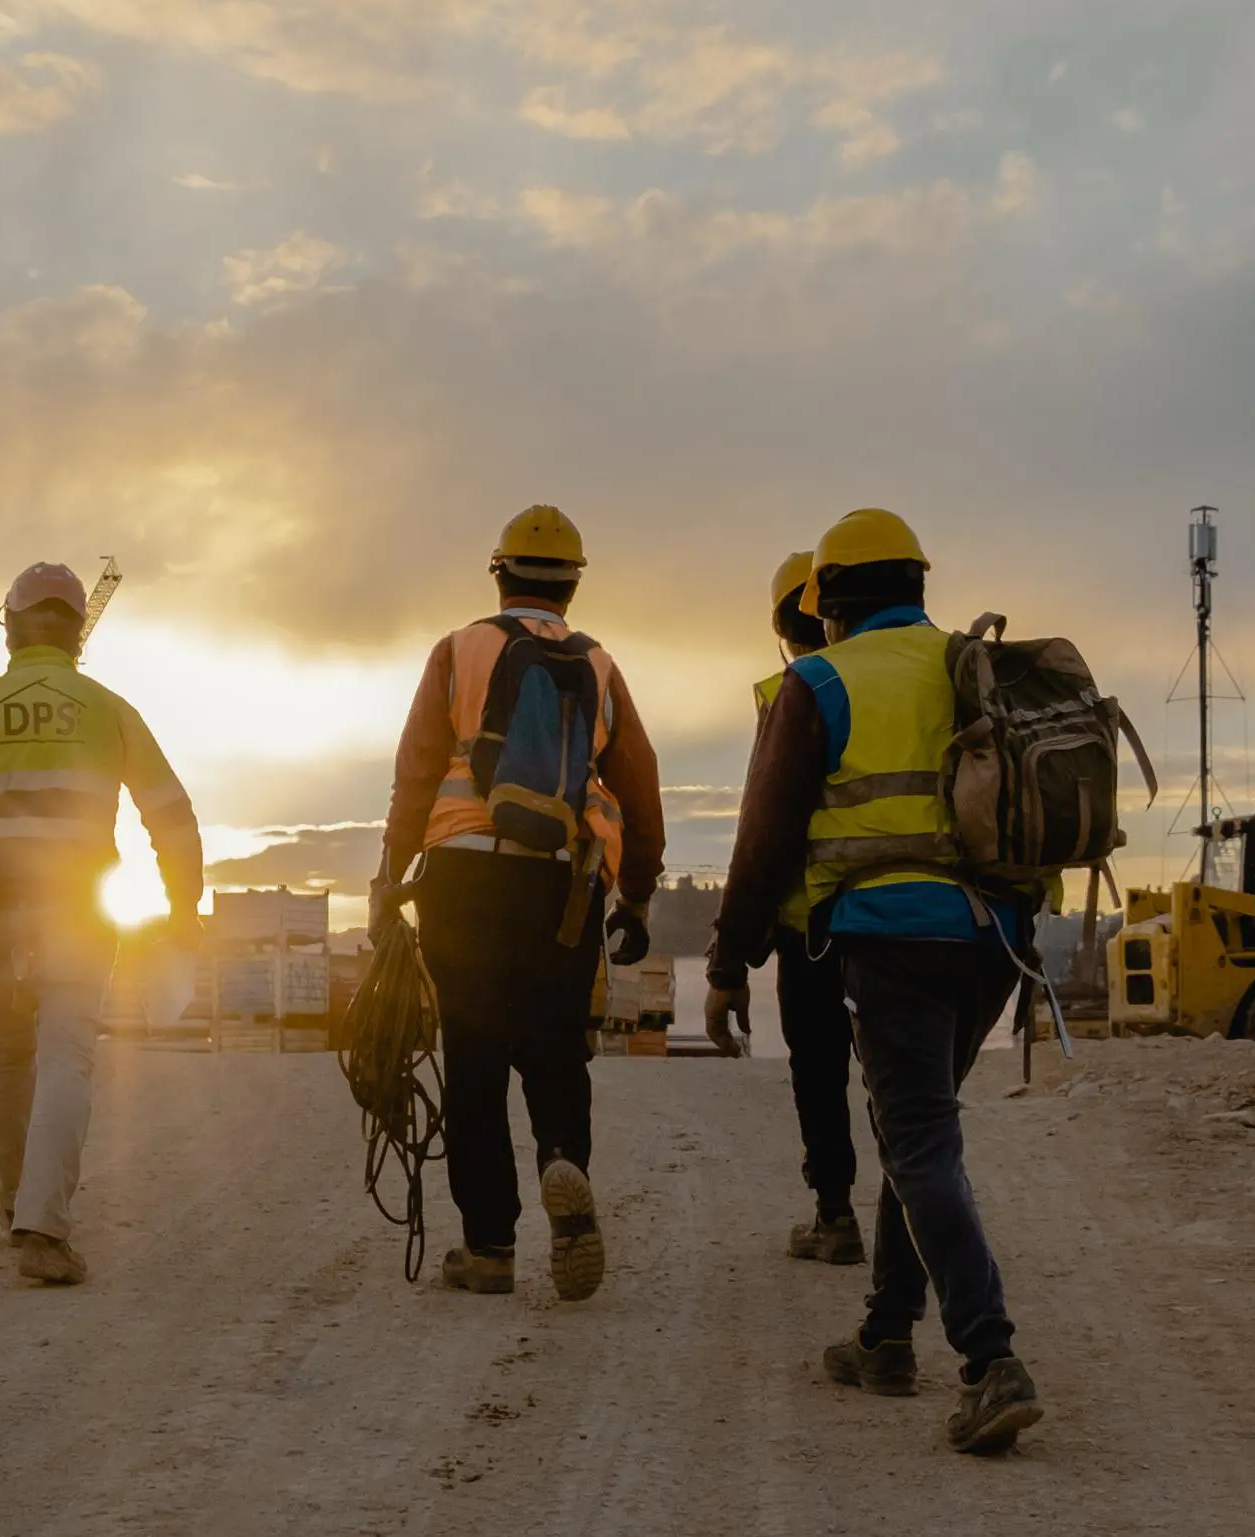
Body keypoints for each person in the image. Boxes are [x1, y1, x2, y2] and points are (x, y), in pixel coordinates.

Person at [702, 508, 1046, 1456]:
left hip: (892, 938)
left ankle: (990, 1360)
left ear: (833, 603)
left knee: (920, 1141)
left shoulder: (818, 680)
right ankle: (885, 1336)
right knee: (915, 1128)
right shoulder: (969, 665)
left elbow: (764, 839)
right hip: (995, 943)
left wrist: (728, 964)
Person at [375, 505, 664, 1300]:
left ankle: (490, 1248)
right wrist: (635, 896)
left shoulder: (457, 650)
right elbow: (638, 785)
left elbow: (415, 776)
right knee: (554, 1048)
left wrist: (387, 882)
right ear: (572, 585)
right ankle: (562, 1158)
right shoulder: (599, 664)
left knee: (473, 1055)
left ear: (498, 574)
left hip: (463, 875)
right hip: (563, 882)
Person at [0, 561, 204, 1286]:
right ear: (76, 632)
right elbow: (173, 815)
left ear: (11, 625)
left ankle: (13, 1206)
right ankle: (43, 1225)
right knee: (67, 1053)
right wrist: (182, 910)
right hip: (76, 907)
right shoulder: (109, 709)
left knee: (5, 1054)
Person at [728, 551, 864, 1265]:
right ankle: (918, 1218)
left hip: (810, 922)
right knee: (900, 1076)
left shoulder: (791, 690)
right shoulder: (906, 678)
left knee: (819, 1069)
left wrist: (729, 957)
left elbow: (764, 833)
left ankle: (835, 1214)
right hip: (904, 913)